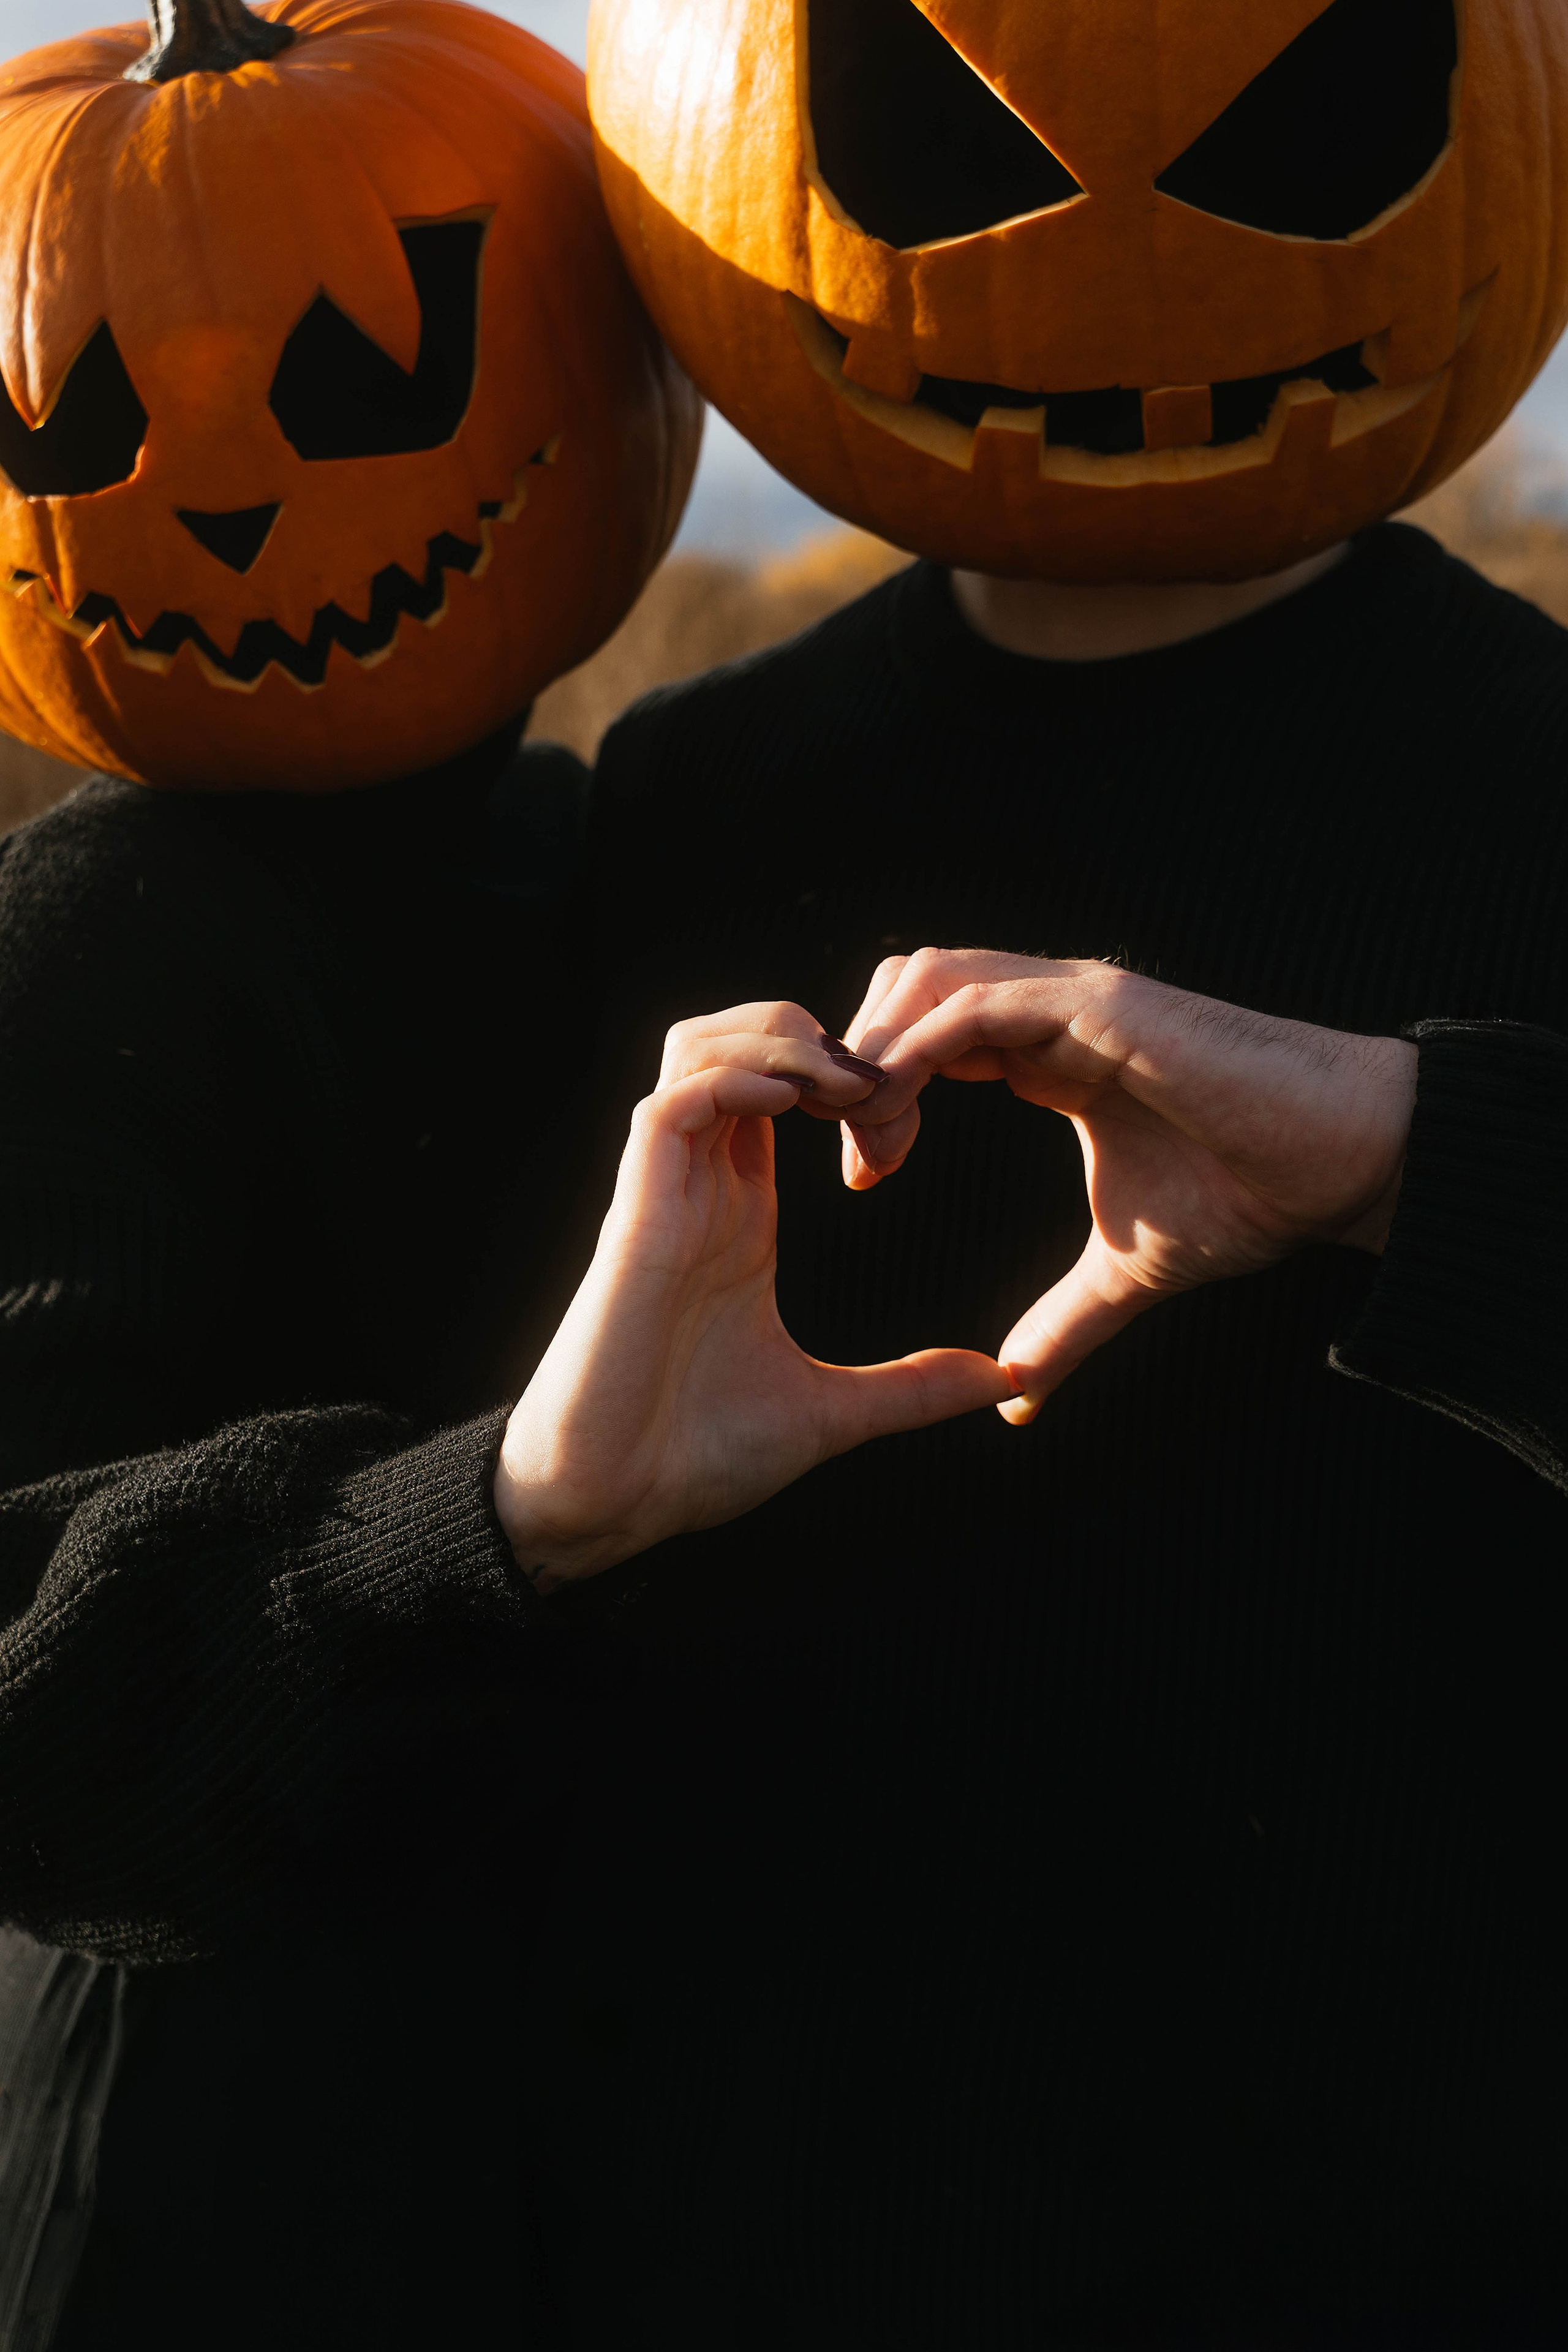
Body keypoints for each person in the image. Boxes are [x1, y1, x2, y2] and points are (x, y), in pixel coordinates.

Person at [484, 522, 1567, 2348]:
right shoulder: (679, 788)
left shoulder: (1535, 758)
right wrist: (523, 1515)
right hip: (769, 2217)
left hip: (1426, 2221)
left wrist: (1413, 1153)